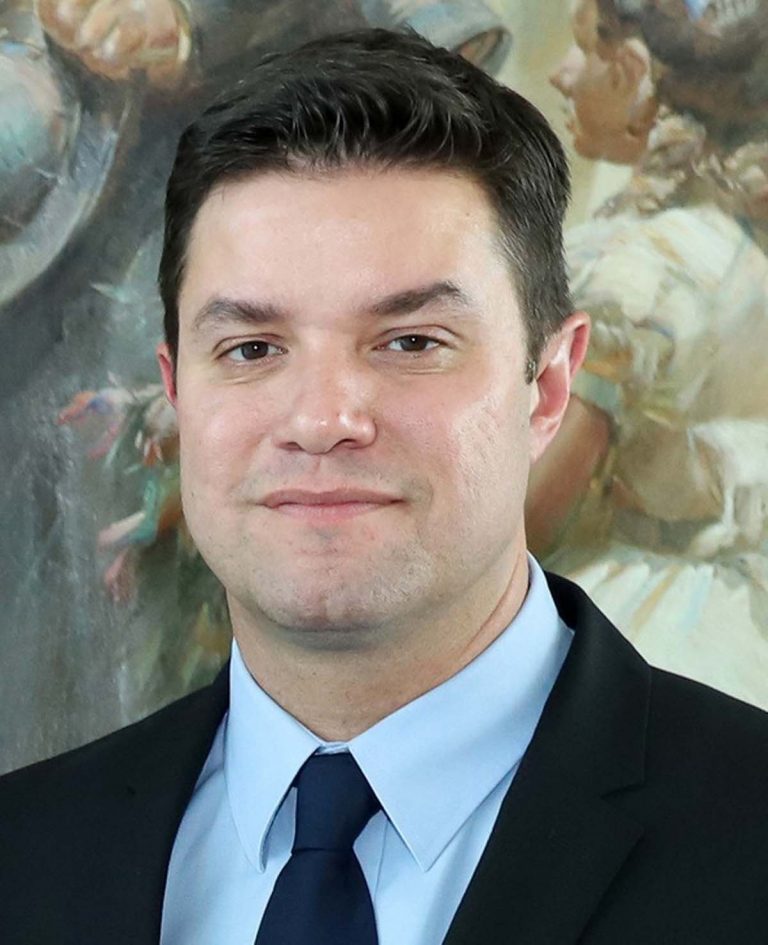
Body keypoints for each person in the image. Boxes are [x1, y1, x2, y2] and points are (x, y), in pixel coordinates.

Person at [1, 26, 767, 945]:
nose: (322, 418)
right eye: (252, 348)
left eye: (410, 342)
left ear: (549, 387)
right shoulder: (23, 852)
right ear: (177, 392)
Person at [531, 0, 768, 710]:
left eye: (584, 49)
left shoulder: (645, 271)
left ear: (635, 75)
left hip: (648, 623)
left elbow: (531, 511)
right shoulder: (732, 251)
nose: (561, 73)